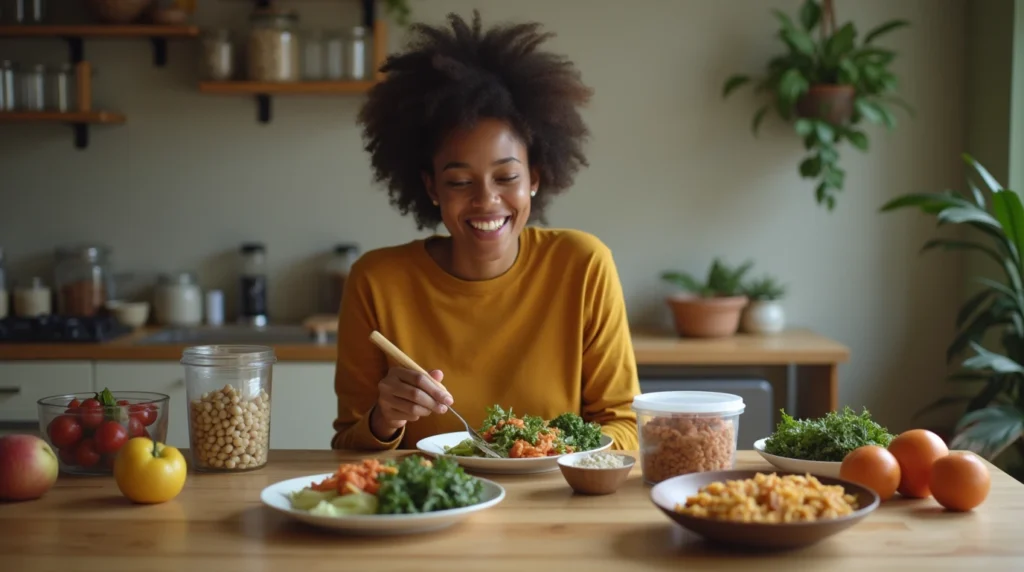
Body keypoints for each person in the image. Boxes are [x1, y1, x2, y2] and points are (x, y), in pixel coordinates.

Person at [330, 10, 641, 452]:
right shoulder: (377, 282)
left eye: (506, 177)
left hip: (550, 508)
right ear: (431, 186)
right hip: (433, 513)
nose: (486, 201)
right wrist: (385, 418)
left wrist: (542, 453)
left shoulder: (583, 265)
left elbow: (623, 426)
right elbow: (347, 444)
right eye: (459, 182)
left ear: (535, 176)